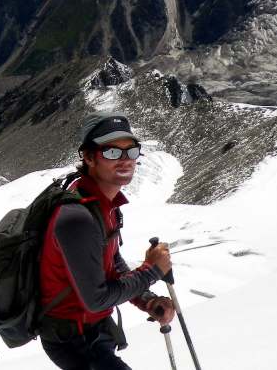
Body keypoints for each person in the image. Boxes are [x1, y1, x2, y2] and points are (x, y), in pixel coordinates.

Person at [37, 111, 175, 370]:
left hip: (93, 329)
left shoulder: (103, 204)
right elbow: (96, 298)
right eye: (112, 152)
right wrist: (152, 270)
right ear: (88, 157)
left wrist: (146, 299)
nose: (125, 160)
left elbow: (111, 263)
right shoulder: (77, 217)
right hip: (73, 338)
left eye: (131, 151)